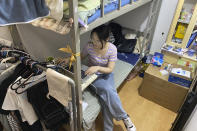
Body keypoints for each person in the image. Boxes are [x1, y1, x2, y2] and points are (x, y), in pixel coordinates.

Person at [81, 24, 136, 131]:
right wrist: (69, 59)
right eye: (92, 39)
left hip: (105, 74)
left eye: (97, 41)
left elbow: (110, 69)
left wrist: (97, 67)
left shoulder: (112, 49)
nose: (94, 43)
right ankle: (124, 118)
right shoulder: (89, 46)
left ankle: (122, 118)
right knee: (107, 95)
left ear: (106, 39)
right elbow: (80, 56)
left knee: (106, 94)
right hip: (92, 76)